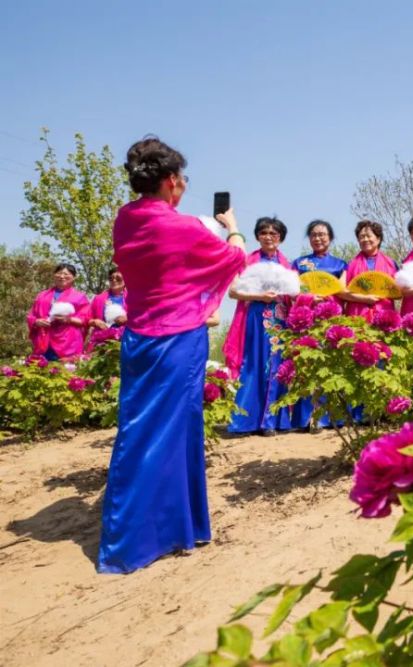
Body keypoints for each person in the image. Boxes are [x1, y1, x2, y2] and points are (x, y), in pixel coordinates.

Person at [99, 136, 246, 574]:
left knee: (140, 429)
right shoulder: (179, 227)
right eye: (180, 178)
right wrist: (233, 224)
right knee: (170, 432)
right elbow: (232, 258)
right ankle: (141, 539)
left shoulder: (126, 220)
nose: (182, 185)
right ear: (168, 181)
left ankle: (176, 526)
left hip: (139, 339)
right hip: (177, 339)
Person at [224, 217, 297, 436]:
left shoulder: (288, 264)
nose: (268, 237)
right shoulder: (247, 261)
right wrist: (259, 296)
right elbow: (233, 292)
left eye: (274, 233)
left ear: (280, 238)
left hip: (280, 320)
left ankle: (274, 421)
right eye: (264, 233)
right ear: (257, 236)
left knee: (278, 366)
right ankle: (247, 421)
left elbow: (294, 293)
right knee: (254, 364)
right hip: (255, 318)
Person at [290, 219, 347, 430]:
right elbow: (294, 289)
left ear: (330, 238)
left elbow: (343, 291)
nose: (318, 238)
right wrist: (309, 298)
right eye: (314, 234)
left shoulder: (341, 265)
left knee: (332, 364)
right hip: (306, 318)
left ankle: (333, 417)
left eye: (322, 234)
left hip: (331, 319)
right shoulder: (299, 264)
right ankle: (306, 418)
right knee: (307, 365)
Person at [26, 263, 90, 361]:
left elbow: (85, 320)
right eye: (59, 273)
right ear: (54, 275)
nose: (62, 276)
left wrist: (68, 319)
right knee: (43, 371)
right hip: (44, 340)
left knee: (67, 373)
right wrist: (36, 322)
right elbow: (31, 316)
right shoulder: (42, 296)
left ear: (74, 277)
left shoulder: (80, 297)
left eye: (66, 274)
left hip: (68, 342)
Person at [338, 220, 399, 319]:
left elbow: (399, 293)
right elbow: (340, 291)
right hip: (357, 318)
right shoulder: (350, 265)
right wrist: (364, 298)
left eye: (368, 236)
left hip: (384, 316)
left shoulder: (391, 264)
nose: (365, 239)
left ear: (378, 239)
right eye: (361, 237)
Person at [86, 266, 127, 350]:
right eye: (111, 278)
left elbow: (143, 317)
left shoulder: (133, 298)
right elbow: (87, 318)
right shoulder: (98, 298)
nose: (114, 280)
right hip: (101, 341)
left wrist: (128, 318)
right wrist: (95, 321)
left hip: (125, 341)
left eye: (118, 278)